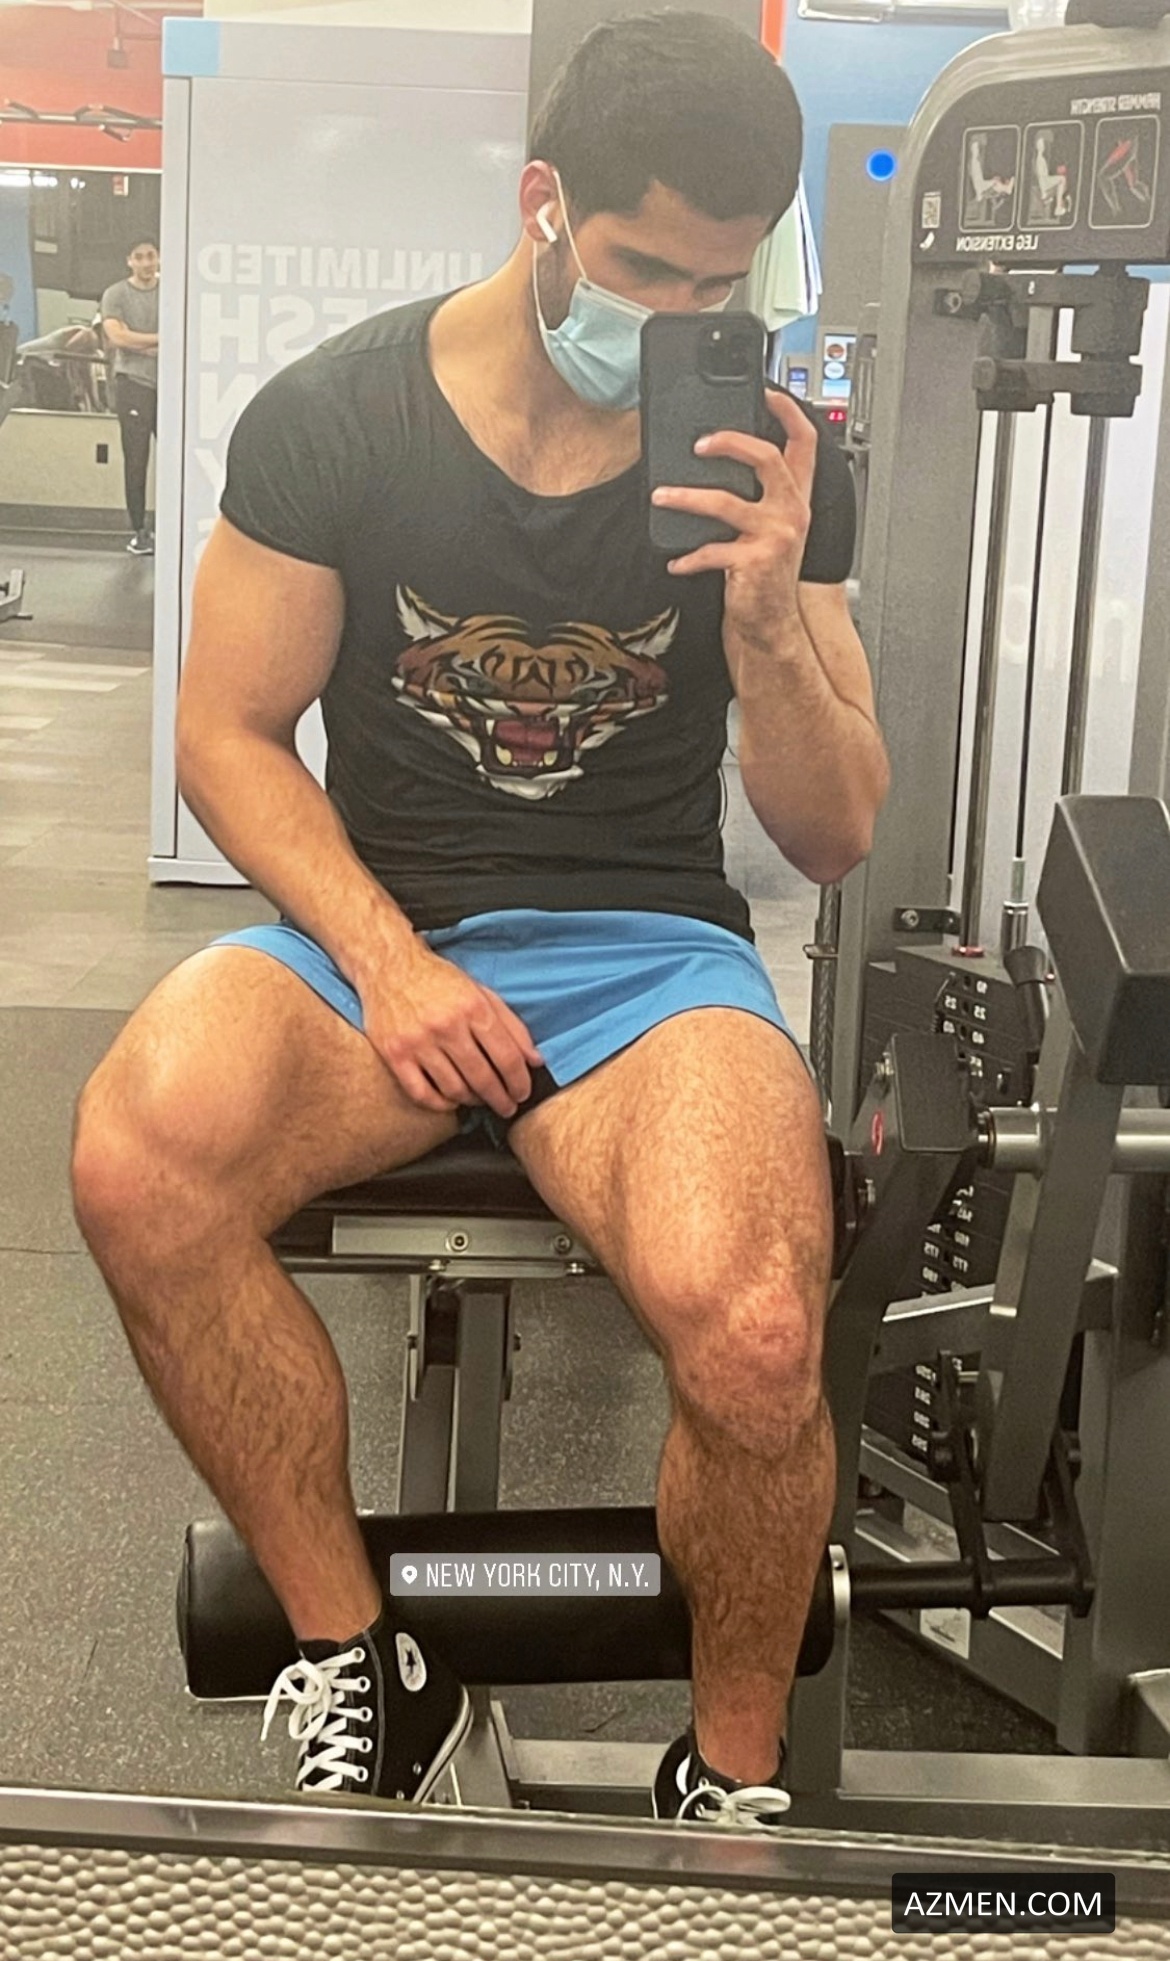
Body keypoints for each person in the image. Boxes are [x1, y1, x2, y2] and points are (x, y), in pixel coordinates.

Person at [71, 12, 889, 1831]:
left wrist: (770, 613)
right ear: (544, 206)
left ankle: (728, 1776)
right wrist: (389, 962)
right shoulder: (341, 414)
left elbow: (832, 832)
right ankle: (359, 1650)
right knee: (138, 1158)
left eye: (720, 284)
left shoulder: (771, 454)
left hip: (648, 955)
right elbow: (225, 733)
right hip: (377, 934)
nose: (678, 314)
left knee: (760, 1332)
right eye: (643, 270)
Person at [101, 239, 160, 556]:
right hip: (133, 384)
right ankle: (140, 531)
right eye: (139, 257)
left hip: (170, 386)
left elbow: (188, 331)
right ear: (130, 261)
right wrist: (164, 339)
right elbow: (118, 337)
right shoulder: (116, 294)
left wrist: (139, 342)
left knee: (177, 457)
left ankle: (172, 524)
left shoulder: (173, 291)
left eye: (151, 255)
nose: (146, 262)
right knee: (136, 459)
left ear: (159, 258)